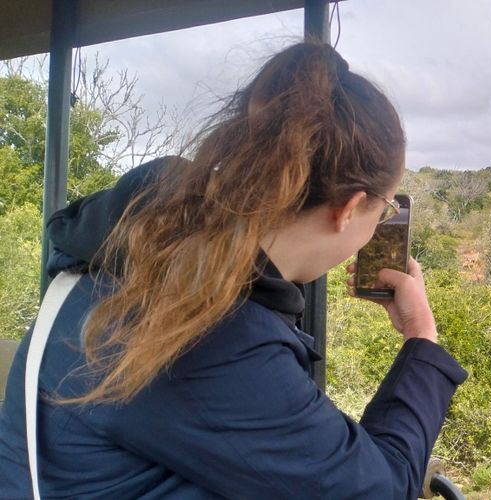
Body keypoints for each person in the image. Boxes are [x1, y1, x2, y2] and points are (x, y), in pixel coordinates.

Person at [0, 42, 466, 498]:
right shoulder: (211, 333)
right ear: (349, 208)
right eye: (382, 210)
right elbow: (378, 487)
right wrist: (421, 336)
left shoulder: (133, 248)